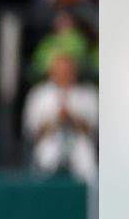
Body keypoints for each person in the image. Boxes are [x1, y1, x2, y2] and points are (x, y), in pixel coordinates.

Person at [23, 52, 98, 182]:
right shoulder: (38, 95)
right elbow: (32, 133)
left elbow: (93, 131)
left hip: (81, 150)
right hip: (48, 149)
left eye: (68, 71)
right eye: (60, 71)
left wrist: (72, 117)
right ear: (52, 73)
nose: (64, 75)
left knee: (87, 163)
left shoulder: (88, 94)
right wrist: (56, 119)